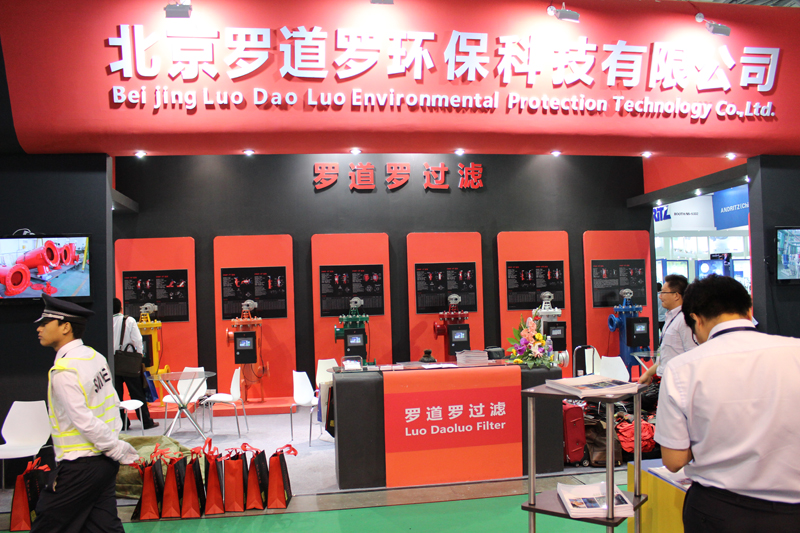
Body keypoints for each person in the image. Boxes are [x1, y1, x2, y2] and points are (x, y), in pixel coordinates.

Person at [655, 275, 800, 532]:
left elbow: (674, 460)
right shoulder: (795, 350)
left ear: (697, 320)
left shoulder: (682, 369)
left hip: (720, 510)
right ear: (748, 310)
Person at [31, 294, 140, 533]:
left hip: (79, 466)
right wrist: (114, 447)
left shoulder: (64, 371)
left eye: (46, 322)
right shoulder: (94, 357)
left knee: (47, 525)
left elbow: (84, 421)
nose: (39, 328)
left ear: (65, 327)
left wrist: (115, 447)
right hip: (103, 464)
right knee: (104, 527)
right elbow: (112, 402)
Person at [638, 274, 696, 389]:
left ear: (676, 295)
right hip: (666, 380)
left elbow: (693, 355)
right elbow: (666, 356)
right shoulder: (670, 317)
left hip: (679, 383)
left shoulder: (685, 320)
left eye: (663, 292)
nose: (660, 296)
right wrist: (648, 373)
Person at [112, 298, 158, 429]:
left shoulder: (105, 322)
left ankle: (122, 423)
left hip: (113, 362)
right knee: (137, 393)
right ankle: (146, 422)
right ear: (121, 308)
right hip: (130, 362)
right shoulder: (129, 320)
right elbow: (137, 341)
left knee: (117, 395)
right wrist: (139, 357)